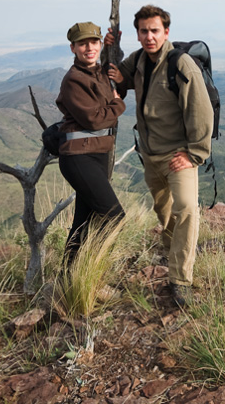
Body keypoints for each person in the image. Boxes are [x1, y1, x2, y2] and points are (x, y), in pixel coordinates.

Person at [106, 5, 213, 308]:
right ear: (137, 34)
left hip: (178, 155)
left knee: (187, 209)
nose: (149, 36)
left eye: (155, 30)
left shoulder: (182, 65)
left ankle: (180, 279)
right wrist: (109, 48)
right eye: (144, 31)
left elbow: (202, 112)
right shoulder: (139, 59)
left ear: (166, 32)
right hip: (150, 154)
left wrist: (194, 154)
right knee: (163, 211)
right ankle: (174, 249)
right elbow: (119, 79)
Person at [56, 21, 127, 275]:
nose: (89, 48)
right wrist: (118, 107)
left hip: (97, 153)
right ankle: (94, 272)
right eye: (83, 43)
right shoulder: (73, 80)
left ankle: (69, 276)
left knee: (83, 223)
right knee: (114, 216)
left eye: (94, 42)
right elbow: (95, 118)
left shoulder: (99, 73)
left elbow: (111, 96)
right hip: (79, 157)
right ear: (73, 48)